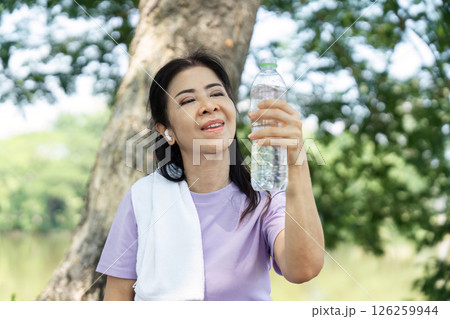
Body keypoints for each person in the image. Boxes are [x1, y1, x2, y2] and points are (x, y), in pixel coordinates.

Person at [95, 50, 324, 301]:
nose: (209, 106)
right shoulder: (143, 199)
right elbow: (116, 301)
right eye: (187, 100)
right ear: (166, 131)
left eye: (216, 93)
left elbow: (304, 269)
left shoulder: (264, 197)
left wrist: (297, 162)